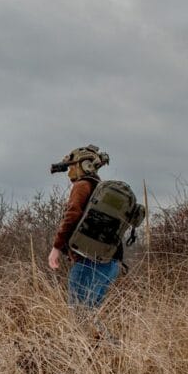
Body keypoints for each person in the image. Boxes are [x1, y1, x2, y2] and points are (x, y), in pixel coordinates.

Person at [47, 145, 122, 338]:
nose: (69, 171)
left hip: (89, 261)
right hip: (111, 262)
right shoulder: (101, 189)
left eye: (72, 166)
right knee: (90, 315)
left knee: (79, 315)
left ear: (84, 165)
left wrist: (56, 247)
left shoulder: (82, 185)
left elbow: (72, 215)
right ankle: (111, 355)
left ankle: (95, 355)